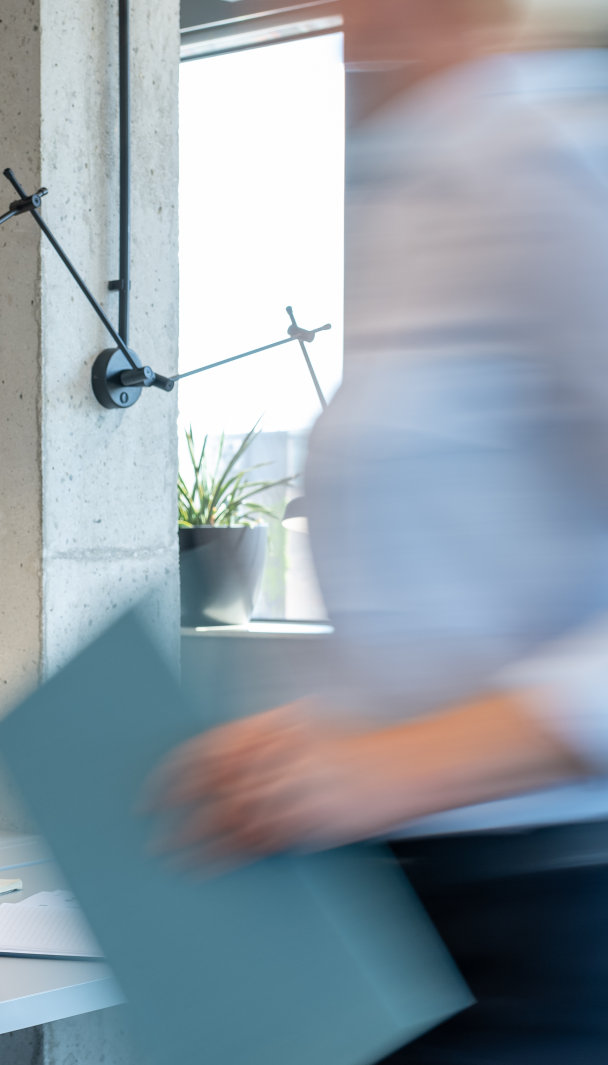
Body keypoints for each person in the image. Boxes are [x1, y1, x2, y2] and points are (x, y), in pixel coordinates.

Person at [162, 1, 608, 1061]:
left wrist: (392, 766)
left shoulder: (558, 167)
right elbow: (446, 593)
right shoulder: (408, 191)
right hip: (393, 907)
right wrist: (308, 740)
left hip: (541, 913)